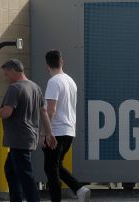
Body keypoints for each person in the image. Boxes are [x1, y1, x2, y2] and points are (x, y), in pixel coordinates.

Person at [0, 59, 57, 202]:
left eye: (6, 74)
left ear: (13, 71)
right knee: (10, 170)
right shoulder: (35, 87)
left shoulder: (15, 88)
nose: (6, 78)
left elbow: (6, 112)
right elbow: (43, 112)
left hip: (18, 139)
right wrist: (49, 133)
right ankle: (16, 199)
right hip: (29, 137)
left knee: (25, 175)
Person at [42, 50, 91, 202]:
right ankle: (79, 189)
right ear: (62, 62)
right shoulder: (70, 81)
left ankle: (59, 199)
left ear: (47, 65)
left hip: (56, 130)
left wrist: (45, 132)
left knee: (50, 169)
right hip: (69, 130)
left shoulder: (54, 82)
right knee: (56, 165)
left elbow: (51, 109)